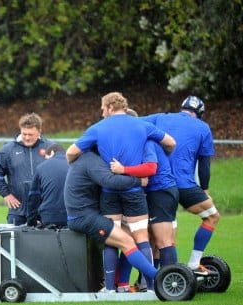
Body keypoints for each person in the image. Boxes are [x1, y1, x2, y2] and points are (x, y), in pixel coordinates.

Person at [65, 92, 176, 292]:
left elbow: (71, 152)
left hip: (109, 192)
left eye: (102, 108)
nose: (101, 112)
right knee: (141, 237)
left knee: (113, 238)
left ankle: (112, 289)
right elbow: (170, 142)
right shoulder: (142, 125)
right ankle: (151, 288)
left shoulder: (98, 128)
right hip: (134, 190)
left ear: (109, 107)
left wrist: (74, 168)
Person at [141, 95, 219, 275]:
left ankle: (150, 280)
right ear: (199, 113)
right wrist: (204, 190)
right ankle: (193, 264)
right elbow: (204, 165)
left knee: (161, 236)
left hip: (160, 185)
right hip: (185, 186)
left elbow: (133, 124)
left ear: (182, 107)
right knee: (212, 217)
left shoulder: (160, 118)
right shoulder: (203, 127)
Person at [64, 147, 159, 293]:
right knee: (127, 242)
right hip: (84, 218)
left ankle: (116, 287)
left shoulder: (86, 159)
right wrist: (138, 182)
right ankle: (159, 278)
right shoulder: (91, 161)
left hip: (83, 216)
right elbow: (109, 181)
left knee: (126, 241)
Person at [110, 108, 179, 292]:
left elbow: (150, 169)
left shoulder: (145, 140)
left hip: (161, 191)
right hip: (159, 191)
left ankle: (171, 285)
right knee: (143, 237)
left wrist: (123, 170)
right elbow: (170, 146)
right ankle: (138, 283)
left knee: (162, 241)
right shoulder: (145, 138)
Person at [0, 113, 54, 225]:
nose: (27, 138)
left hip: (45, 210)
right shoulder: (8, 150)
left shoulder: (51, 148)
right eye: (24, 134)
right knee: (14, 242)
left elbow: (62, 172)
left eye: (31, 134)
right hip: (18, 211)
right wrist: (6, 194)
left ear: (39, 132)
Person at [27, 143, 68, 228]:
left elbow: (34, 197)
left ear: (52, 153)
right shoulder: (76, 165)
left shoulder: (41, 168)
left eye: (46, 158)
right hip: (73, 216)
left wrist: (31, 221)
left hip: (49, 217)